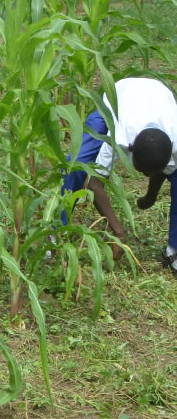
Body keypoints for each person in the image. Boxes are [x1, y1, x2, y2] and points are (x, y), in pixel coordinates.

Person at [62, 77, 177, 277]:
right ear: (129, 151)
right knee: (76, 164)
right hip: (117, 97)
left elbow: (164, 168)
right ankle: (58, 231)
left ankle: (174, 252)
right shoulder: (119, 136)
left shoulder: (174, 141)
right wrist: (118, 232)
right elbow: (94, 184)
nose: (147, 176)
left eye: (151, 173)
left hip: (160, 95)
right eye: (142, 172)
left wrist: (149, 198)